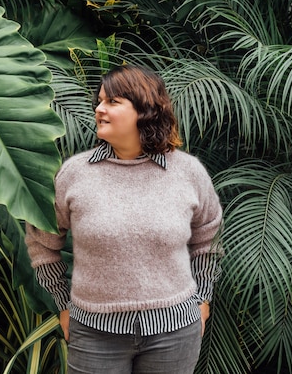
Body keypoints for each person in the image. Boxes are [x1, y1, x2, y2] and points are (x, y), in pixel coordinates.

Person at [25, 65, 223, 374]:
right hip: (93, 333)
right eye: (99, 101)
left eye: (112, 102)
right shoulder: (75, 174)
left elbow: (208, 238)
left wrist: (203, 299)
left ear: (145, 110)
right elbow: (42, 242)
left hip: (174, 332)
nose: (99, 109)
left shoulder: (187, 172)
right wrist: (63, 303)